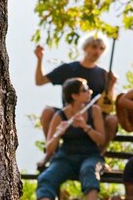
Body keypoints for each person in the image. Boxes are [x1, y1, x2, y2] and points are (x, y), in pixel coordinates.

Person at [27, 78, 106, 200]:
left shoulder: (94, 111)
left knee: (89, 170)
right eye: (85, 90)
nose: (90, 92)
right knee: (47, 176)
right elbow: (49, 148)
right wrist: (58, 134)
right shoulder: (60, 115)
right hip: (66, 156)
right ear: (74, 96)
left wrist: (85, 127)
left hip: (90, 155)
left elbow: (101, 140)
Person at [34, 33, 118, 164]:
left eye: (101, 48)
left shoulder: (103, 74)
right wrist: (40, 59)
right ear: (85, 48)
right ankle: (51, 152)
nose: (97, 51)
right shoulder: (69, 68)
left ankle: (98, 156)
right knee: (47, 112)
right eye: (94, 46)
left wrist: (111, 85)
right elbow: (40, 81)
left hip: (92, 117)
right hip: (68, 115)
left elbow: (107, 104)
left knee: (112, 120)